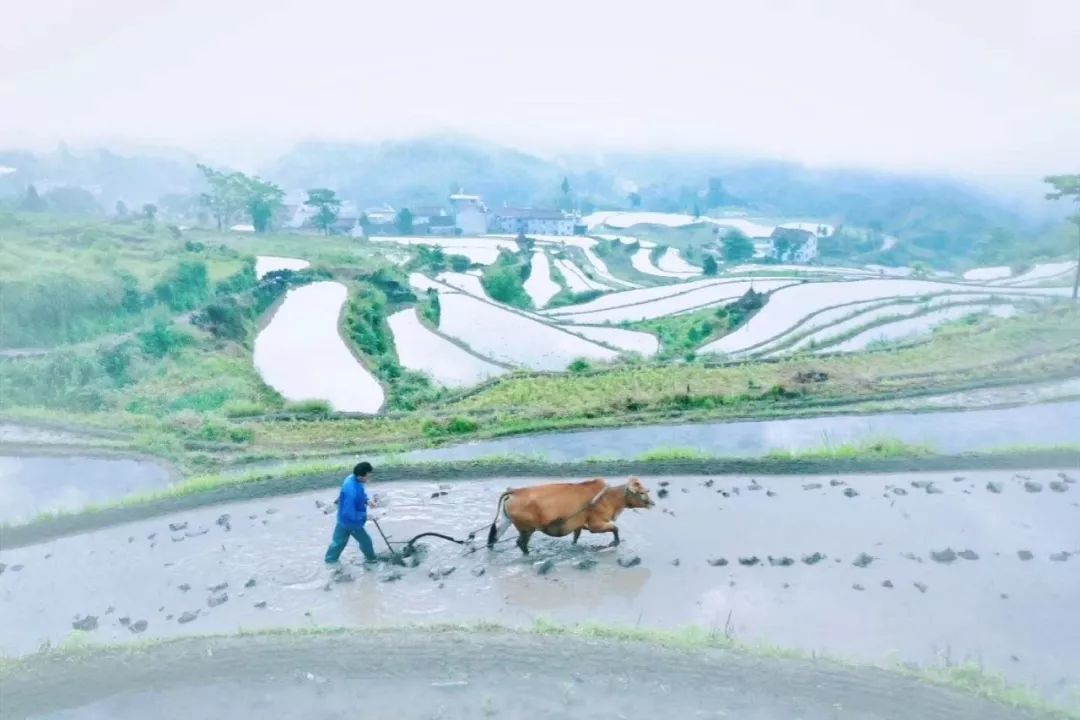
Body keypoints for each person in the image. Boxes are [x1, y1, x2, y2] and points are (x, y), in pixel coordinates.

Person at [324, 461, 378, 564]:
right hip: (352, 522)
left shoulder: (351, 479)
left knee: (338, 542)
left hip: (342, 520)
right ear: (360, 476)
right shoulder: (352, 491)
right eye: (367, 477)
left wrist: (367, 501)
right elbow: (349, 512)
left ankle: (329, 561)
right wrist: (365, 516)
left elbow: (361, 494)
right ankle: (372, 561)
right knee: (366, 542)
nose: (368, 479)